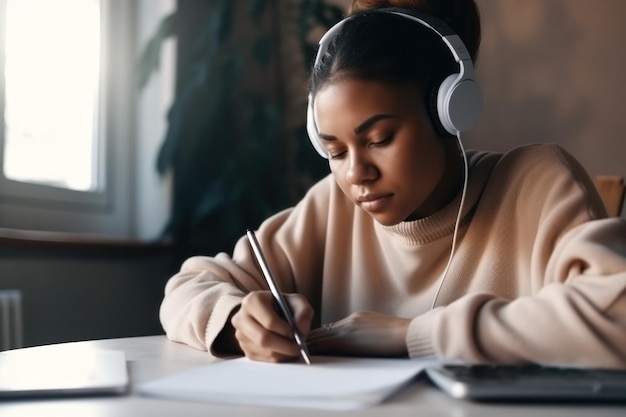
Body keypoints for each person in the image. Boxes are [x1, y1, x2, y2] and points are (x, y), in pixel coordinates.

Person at [159, 0, 626, 367]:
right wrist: (239, 318)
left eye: (379, 138)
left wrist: (413, 335)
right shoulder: (332, 207)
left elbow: (618, 317)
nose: (356, 174)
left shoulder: (535, 184)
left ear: (449, 113)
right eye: (335, 152)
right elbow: (189, 285)